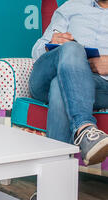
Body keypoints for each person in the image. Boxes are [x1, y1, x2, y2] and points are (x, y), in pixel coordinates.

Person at [29, 0, 108, 165]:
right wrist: (50, 45)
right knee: (72, 48)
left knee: (59, 86)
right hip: (45, 77)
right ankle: (85, 128)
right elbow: (37, 48)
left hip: (101, 87)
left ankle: (53, 184)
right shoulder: (71, 6)